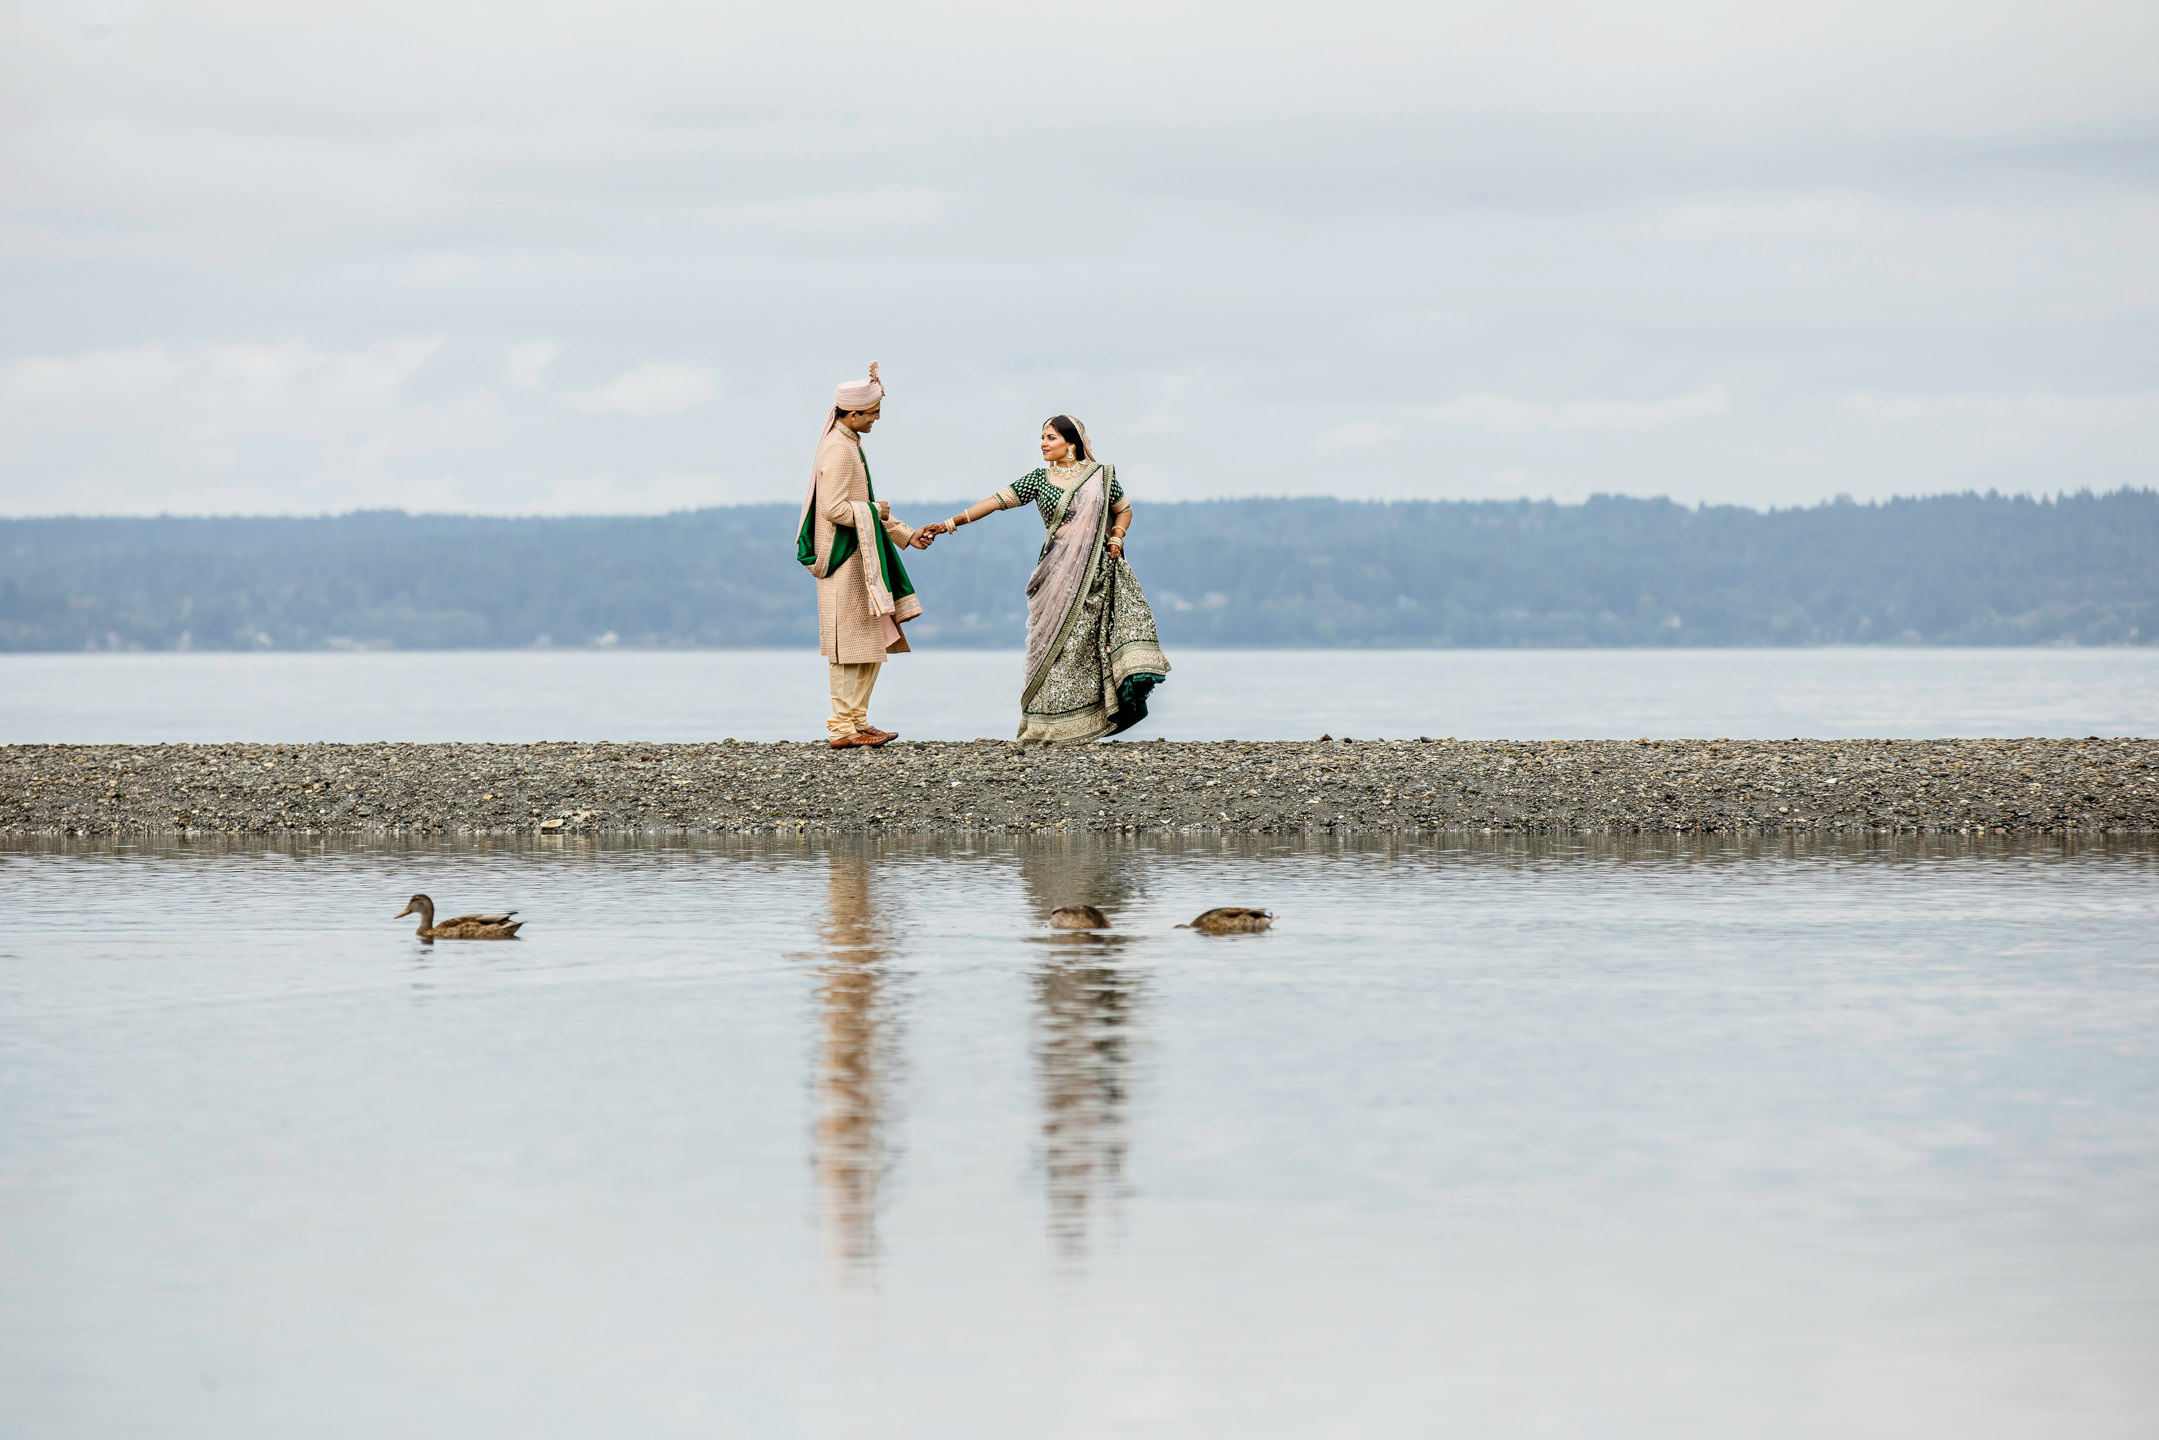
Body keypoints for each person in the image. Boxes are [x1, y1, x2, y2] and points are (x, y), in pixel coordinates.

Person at [920, 415, 1169, 744]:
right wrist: (948, 524)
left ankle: (1093, 719)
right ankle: (1046, 724)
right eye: (1041, 437)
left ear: (1071, 443)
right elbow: (994, 503)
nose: (1043, 444)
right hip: (1055, 573)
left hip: (1094, 572)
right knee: (1052, 646)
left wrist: (1117, 537)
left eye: (1050, 438)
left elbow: (1124, 509)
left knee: (1086, 646)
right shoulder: (1038, 480)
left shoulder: (1101, 476)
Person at [794, 363, 936, 749]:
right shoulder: (839, 450)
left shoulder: (850, 443)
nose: (875, 420)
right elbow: (836, 510)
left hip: (861, 561)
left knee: (870, 641)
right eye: (872, 414)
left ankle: (856, 721)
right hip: (843, 563)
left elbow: (863, 508)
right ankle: (842, 729)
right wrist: (879, 511)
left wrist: (906, 534)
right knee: (846, 649)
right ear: (852, 413)